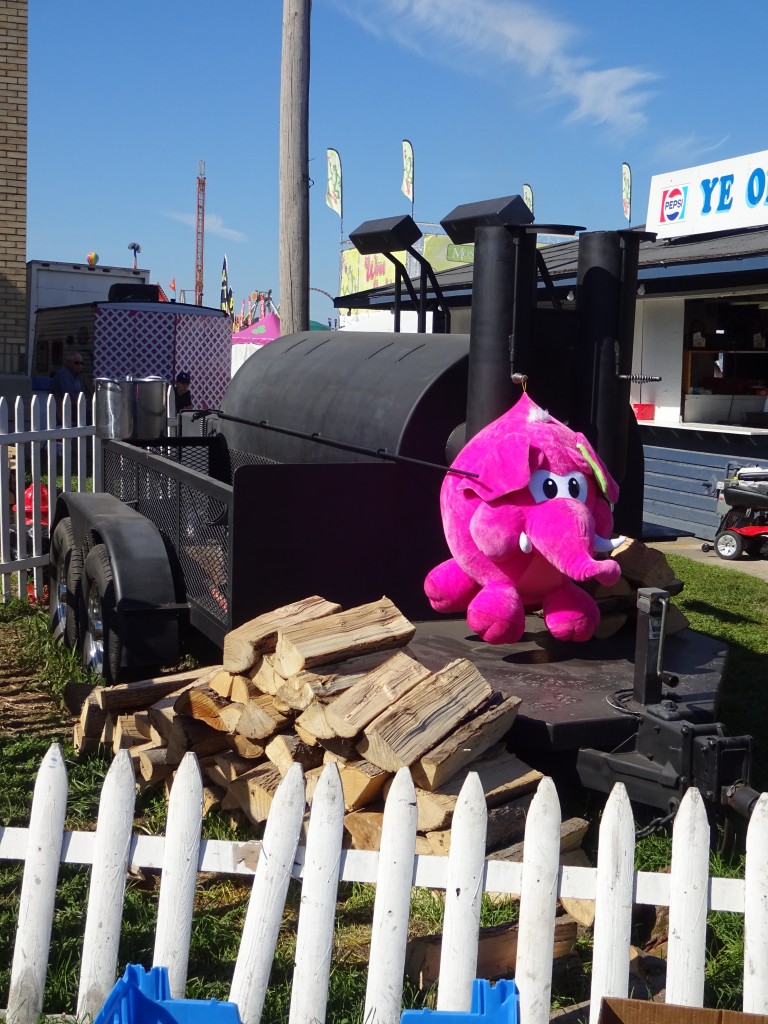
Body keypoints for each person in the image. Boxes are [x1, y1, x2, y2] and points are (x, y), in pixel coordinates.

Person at [51, 351, 85, 423]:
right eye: (76, 363)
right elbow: (69, 397)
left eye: (81, 363)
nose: (80, 365)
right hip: (65, 411)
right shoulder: (63, 375)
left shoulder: (78, 376)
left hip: (75, 410)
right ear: (68, 363)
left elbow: (82, 394)